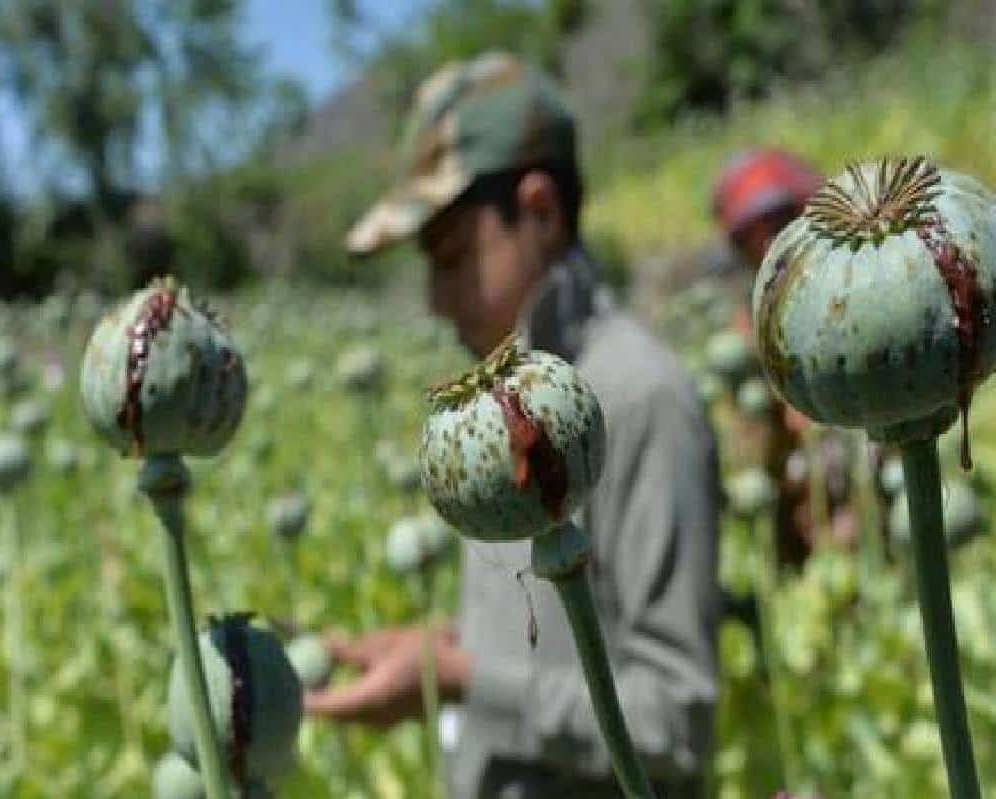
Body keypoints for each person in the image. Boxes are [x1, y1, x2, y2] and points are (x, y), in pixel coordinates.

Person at [305, 52, 722, 799]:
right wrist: (438, 652)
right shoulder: (505, 410)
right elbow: (547, 642)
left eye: (453, 256)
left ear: (538, 210)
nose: (435, 300)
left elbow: (673, 723)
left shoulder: (638, 398)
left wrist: (468, 680)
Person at [710, 150, 856, 568]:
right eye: (754, 238)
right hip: (799, 503)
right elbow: (751, 453)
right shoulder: (748, 327)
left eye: (777, 227)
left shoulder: (851, 296)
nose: (770, 245)